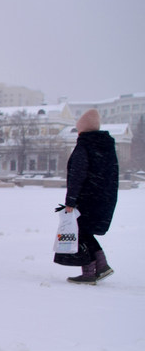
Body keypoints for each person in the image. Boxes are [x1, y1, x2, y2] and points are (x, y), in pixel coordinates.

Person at [63, 108, 118, 284]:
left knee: (79, 231)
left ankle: (89, 272)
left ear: (83, 130)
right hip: (103, 197)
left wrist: (71, 200)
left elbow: (77, 175)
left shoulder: (84, 146)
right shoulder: (107, 146)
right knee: (84, 231)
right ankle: (101, 266)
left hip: (86, 198)